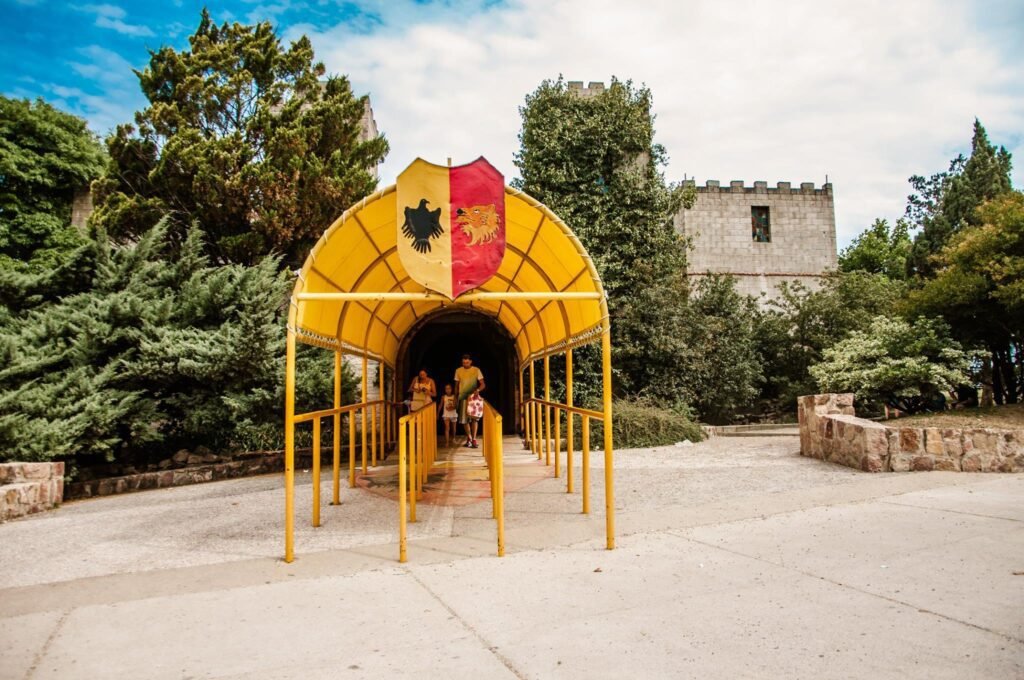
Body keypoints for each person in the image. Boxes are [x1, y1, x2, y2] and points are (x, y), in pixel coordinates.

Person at [454, 354, 485, 448]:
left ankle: (474, 439)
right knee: (464, 420)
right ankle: (470, 438)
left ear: (470, 361)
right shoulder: (458, 370)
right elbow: (456, 386)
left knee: (475, 419)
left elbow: (483, 384)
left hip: (473, 398)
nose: (465, 364)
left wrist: (478, 390)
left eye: (467, 362)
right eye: (463, 362)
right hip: (462, 397)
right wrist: (455, 398)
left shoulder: (476, 370)